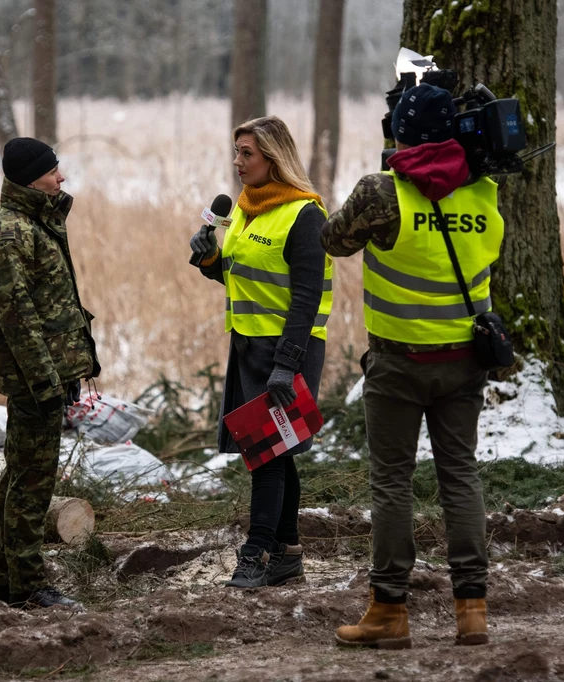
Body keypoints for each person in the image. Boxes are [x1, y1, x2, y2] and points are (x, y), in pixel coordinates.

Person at [325, 84, 504, 647]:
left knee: (392, 485)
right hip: (463, 362)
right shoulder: (484, 192)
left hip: (398, 364)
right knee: (460, 476)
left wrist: (390, 152)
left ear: (398, 132)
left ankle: (389, 612)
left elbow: (333, 240)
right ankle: (471, 609)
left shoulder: (382, 193)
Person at [190, 116, 333, 588]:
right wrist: (212, 259)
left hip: (287, 351)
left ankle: (256, 552)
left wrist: (286, 365)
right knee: (277, 451)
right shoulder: (248, 210)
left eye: (246, 153)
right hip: (249, 348)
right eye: (236, 153)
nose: (237, 162)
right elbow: (242, 277)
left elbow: (307, 299)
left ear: (274, 157)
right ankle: (288, 553)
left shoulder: (305, 215)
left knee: (267, 457)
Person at [0, 137, 101, 609]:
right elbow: (19, 320)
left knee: (20, 476)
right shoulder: (10, 234)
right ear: (31, 179)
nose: (62, 177)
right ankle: (27, 586)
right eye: (53, 171)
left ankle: (6, 580)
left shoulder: (33, 223)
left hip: (46, 374)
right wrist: (46, 381)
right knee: (31, 483)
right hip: (35, 381)